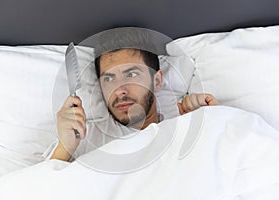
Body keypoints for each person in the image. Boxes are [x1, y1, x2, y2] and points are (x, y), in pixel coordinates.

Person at [50, 29, 219, 162]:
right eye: (109, 78)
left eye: (131, 75)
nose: (120, 90)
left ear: (157, 81)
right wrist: (64, 149)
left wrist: (210, 123)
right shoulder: (82, 138)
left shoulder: (183, 124)